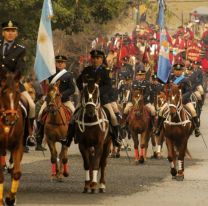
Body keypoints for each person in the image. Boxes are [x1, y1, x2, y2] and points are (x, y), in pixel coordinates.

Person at [65, 49, 122, 147]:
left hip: (102, 99)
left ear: (102, 59)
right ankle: (68, 138)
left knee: (112, 116)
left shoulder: (105, 71)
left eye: (98, 58)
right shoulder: (87, 70)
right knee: (74, 116)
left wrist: (97, 93)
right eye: (93, 58)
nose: (95, 60)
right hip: (87, 100)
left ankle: (116, 138)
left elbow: (108, 86)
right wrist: (82, 90)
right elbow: (78, 81)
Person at [0, 20, 36, 152]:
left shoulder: (20, 49)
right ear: (3, 32)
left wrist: (13, 80)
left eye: (13, 31)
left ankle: (28, 136)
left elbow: (20, 68)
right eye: (8, 31)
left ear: (16, 34)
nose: (10, 33)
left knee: (31, 106)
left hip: (14, 84)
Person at [35, 55, 75, 151]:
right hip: (51, 101)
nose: (60, 64)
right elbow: (46, 86)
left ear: (65, 64)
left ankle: (73, 135)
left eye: (61, 62)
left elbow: (72, 89)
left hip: (64, 101)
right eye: (58, 62)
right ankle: (39, 140)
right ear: (55, 63)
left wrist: (61, 95)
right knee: (40, 113)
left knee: (75, 114)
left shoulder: (69, 75)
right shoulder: (50, 74)